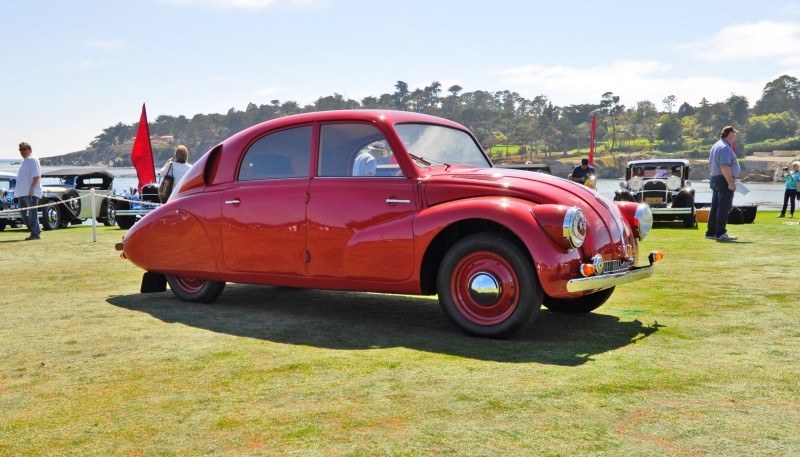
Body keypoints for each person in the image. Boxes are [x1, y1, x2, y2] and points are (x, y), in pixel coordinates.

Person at [705, 126, 741, 242]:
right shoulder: (725, 147)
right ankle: (720, 233)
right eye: (734, 134)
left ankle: (711, 232)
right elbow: (724, 166)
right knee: (723, 207)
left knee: (715, 207)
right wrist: (730, 182)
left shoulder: (716, 145)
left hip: (715, 178)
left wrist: (715, 174)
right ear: (730, 134)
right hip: (723, 180)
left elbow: (709, 163)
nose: (735, 136)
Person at [15, 142, 42, 240]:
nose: (22, 151)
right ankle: (35, 230)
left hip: (30, 192)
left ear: (29, 150)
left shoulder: (32, 160)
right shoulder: (25, 162)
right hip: (22, 193)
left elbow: (36, 176)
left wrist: (32, 188)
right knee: (22, 211)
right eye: (20, 149)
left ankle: (35, 233)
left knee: (32, 213)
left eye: (24, 149)